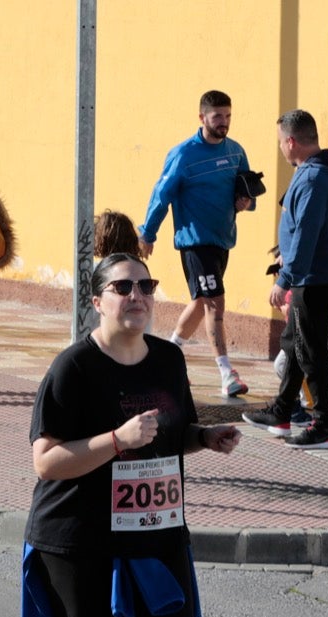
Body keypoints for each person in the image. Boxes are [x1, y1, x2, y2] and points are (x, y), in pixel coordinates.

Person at [24, 253, 239, 617]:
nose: (138, 295)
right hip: (79, 531)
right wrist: (115, 440)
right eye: (123, 287)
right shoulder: (74, 367)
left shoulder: (167, 360)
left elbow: (173, 432)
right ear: (98, 300)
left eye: (147, 285)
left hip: (154, 527)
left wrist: (203, 437)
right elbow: (45, 462)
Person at [137, 90, 257, 400]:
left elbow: (245, 190)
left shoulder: (235, 151)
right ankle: (227, 373)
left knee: (202, 301)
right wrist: (147, 233)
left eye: (228, 116)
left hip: (223, 239)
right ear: (202, 117)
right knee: (215, 302)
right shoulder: (184, 154)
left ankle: (164, 357)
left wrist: (244, 201)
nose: (224, 122)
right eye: (218, 116)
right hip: (195, 241)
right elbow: (161, 194)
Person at [242, 109, 328, 449]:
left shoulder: (315, 178)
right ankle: (282, 410)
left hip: (313, 279)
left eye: (281, 144)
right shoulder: (320, 171)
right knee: (295, 343)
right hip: (314, 274)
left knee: (310, 350)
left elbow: (307, 233)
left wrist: (285, 278)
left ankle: (324, 424)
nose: (281, 151)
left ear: (291, 141)